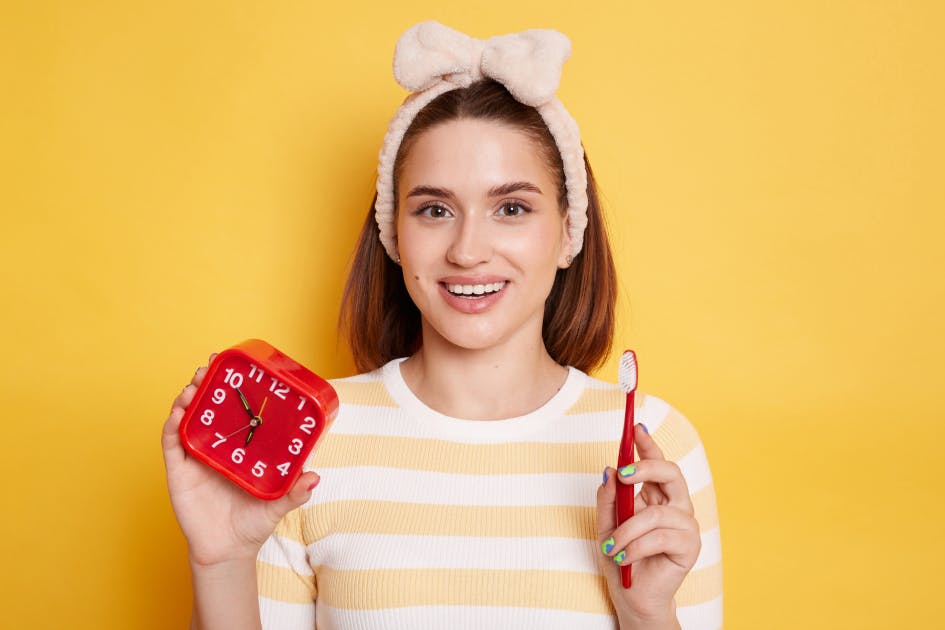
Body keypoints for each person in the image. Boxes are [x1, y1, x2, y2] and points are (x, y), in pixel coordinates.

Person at [163, 20, 722, 630]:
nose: (467, 250)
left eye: (511, 208)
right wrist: (220, 562)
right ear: (393, 234)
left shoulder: (657, 446)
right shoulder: (308, 442)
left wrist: (646, 612)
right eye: (434, 210)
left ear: (568, 231)